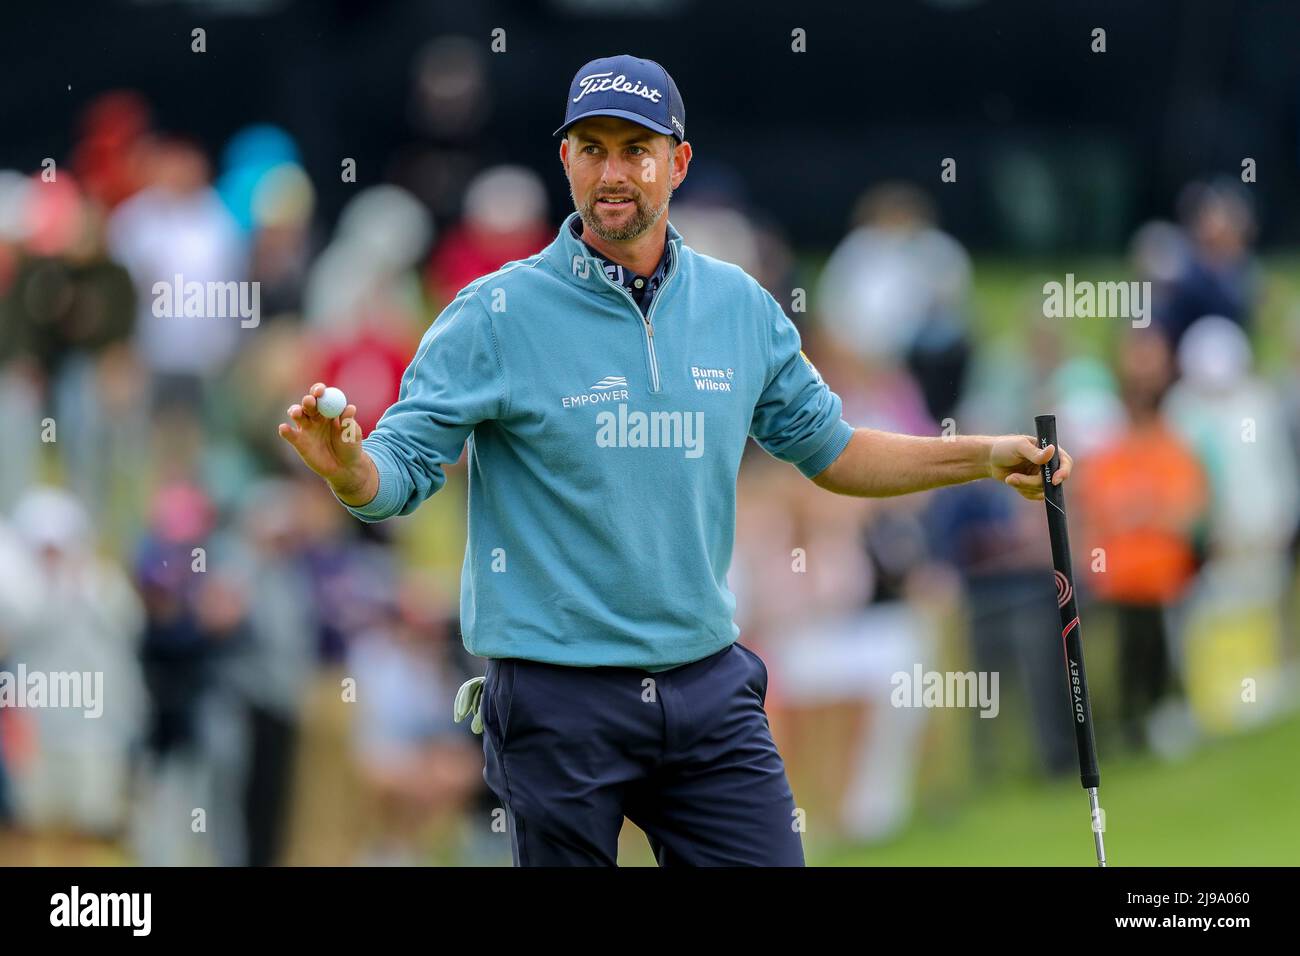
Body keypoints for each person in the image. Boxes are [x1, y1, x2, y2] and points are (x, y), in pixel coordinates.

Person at [278, 54, 1073, 867]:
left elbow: (834, 452)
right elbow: (403, 467)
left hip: (706, 687)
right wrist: (351, 472)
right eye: (593, 149)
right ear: (567, 161)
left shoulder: (739, 307)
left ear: (678, 162)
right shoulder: (494, 312)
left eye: (636, 149)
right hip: (556, 698)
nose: (613, 171)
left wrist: (981, 455)